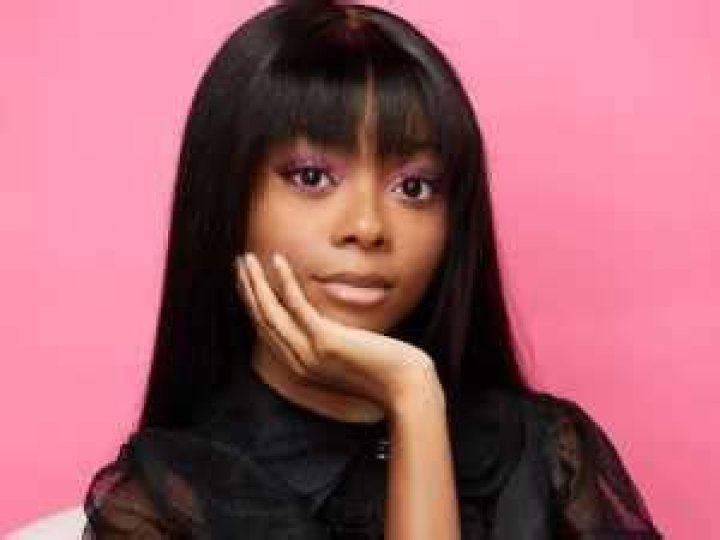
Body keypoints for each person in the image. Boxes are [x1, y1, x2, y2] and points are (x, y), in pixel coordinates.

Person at [82, 1, 663, 538]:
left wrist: (415, 399)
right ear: (227, 200)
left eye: (413, 187)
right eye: (312, 177)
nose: (367, 225)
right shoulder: (161, 503)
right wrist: (411, 395)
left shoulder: (548, 454)